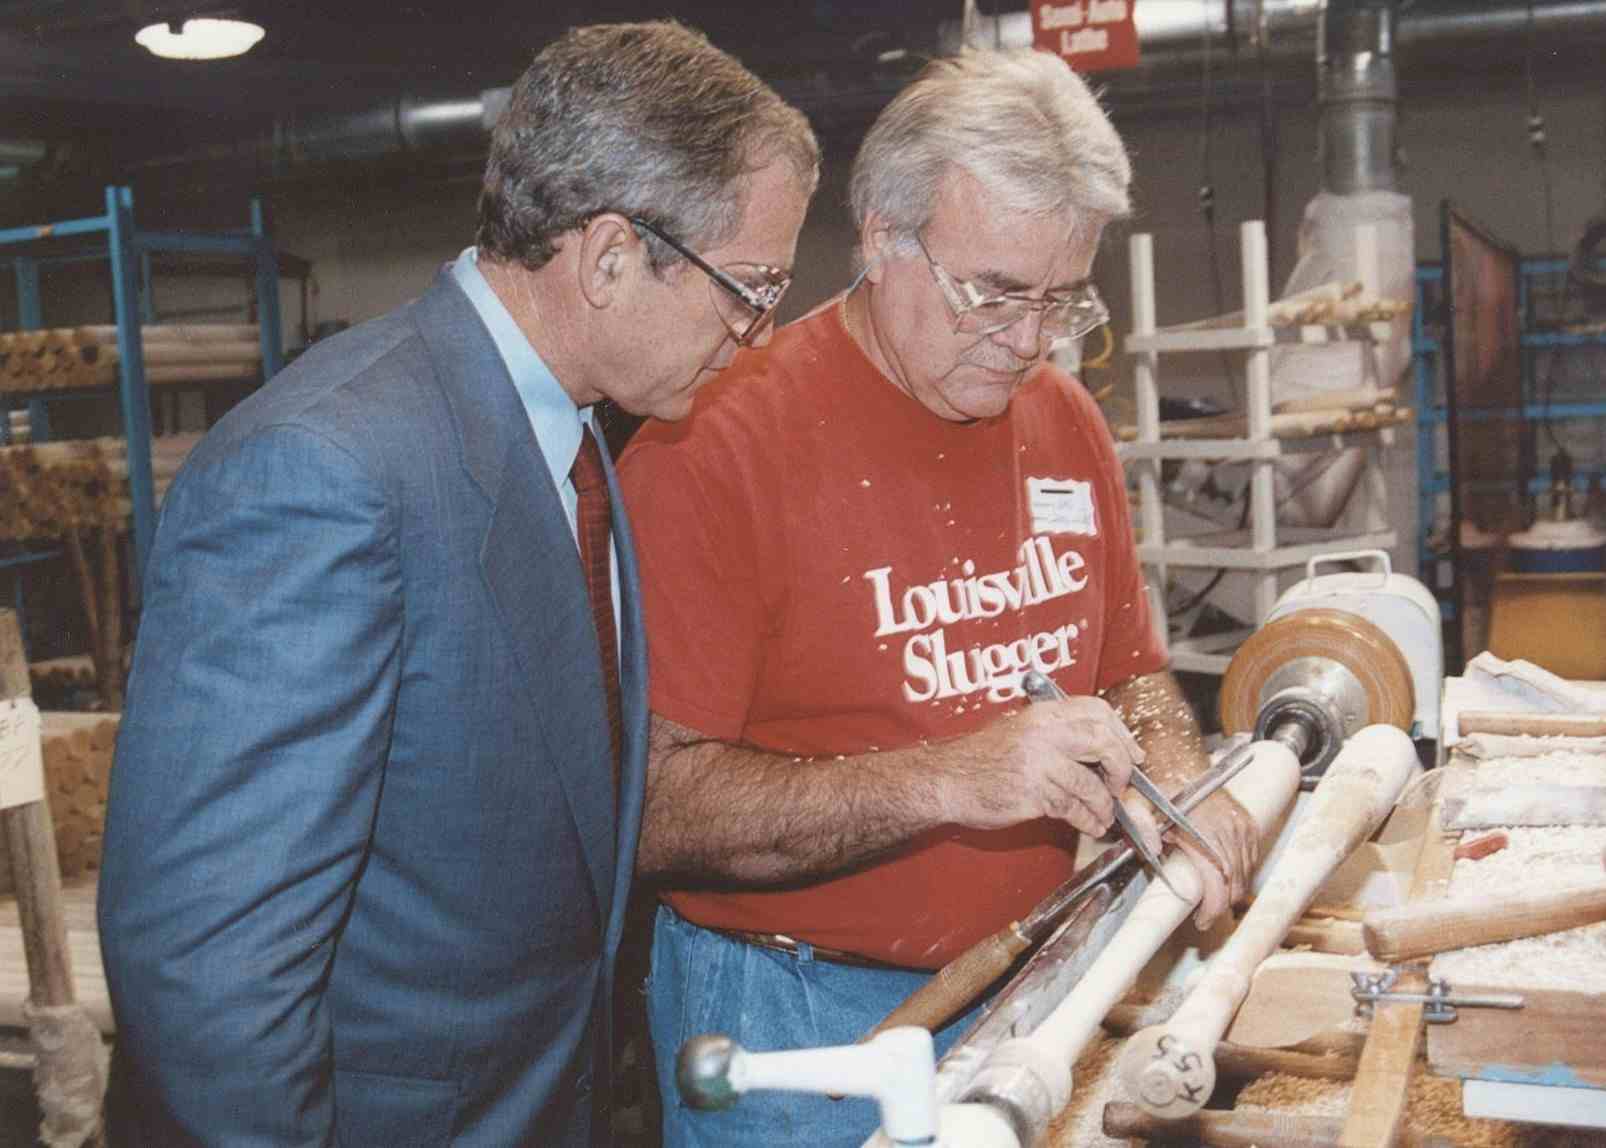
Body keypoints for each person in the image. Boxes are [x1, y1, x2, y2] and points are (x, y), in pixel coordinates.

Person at [97, 20, 817, 1146]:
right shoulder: (324, 469)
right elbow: (208, 968)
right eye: (748, 286)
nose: (759, 332)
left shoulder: (577, 444)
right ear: (610, 255)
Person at [616, 48, 1260, 1147]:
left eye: (1060, 301)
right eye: (993, 294)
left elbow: (1130, 671)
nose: (1023, 344)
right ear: (879, 238)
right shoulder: (710, 440)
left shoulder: (1062, 420)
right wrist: (953, 778)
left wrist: (1183, 791)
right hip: (796, 1009)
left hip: (1033, 977)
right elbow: (658, 808)